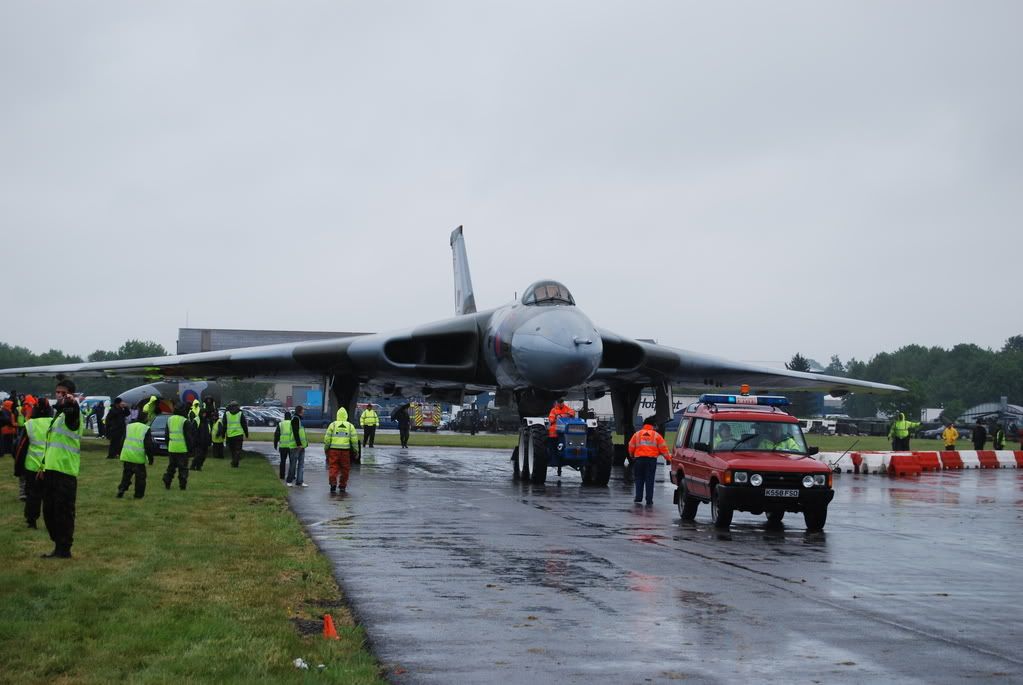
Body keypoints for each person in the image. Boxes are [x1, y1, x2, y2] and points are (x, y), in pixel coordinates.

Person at [39, 379, 83, 559]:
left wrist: (71, 403)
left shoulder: (72, 412)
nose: (59, 395)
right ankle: (58, 544)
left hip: (65, 472)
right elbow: (50, 445)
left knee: (63, 512)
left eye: (63, 393)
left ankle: (63, 549)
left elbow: (72, 413)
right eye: (57, 392)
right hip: (50, 470)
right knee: (48, 512)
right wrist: (42, 466)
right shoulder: (57, 417)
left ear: (70, 394)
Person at [14, 398, 53, 528]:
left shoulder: (30, 425)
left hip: (32, 466)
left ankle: (31, 521)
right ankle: (52, 522)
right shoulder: (54, 423)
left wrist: (18, 468)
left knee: (33, 495)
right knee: (50, 496)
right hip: (51, 465)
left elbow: (21, 448)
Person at [627, 416, 671, 505]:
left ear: (644, 424)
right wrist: (668, 459)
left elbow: (631, 446)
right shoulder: (656, 436)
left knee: (639, 479)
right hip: (651, 461)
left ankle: (638, 497)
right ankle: (649, 500)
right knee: (649, 480)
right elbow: (664, 449)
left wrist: (632, 456)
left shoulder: (637, 434)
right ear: (653, 425)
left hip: (639, 460)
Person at [117, 414, 155, 499]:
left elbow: (122, 440)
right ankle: (138, 495)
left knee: (126, 475)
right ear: (145, 419)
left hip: (127, 455)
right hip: (138, 457)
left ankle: (122, 489)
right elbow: (148, 445)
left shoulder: (129, 426)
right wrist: (150, 458)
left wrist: (120, 452)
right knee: (140, 478)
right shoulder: (145, 429)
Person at [324, 407, 359, 493]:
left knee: (333, 467)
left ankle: (333, 483)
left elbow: (327, 439)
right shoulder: (350, 426)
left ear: (337, 415)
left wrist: (326, 449)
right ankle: (342, 486)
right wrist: (356, 451)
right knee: (345, 469)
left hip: (333, 450)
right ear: (346, 416)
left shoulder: (333, 425)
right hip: (345, 451)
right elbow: (354, 440)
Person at [163, 404, 194, 490]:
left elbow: (166, 435)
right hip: (182, 449)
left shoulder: (170, 420)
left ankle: (167, 480)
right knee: (183, 468)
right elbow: (189, 437)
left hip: (172, 448)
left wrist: (168, 445)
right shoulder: (185, 421)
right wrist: (190, 449)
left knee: (171, 467)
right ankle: (182, 485)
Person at [220, 401, 248, 467]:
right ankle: (235, 461)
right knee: (237, 449)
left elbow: (224, 425)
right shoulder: (240, 414)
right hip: (239, 435)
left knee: (232, 450)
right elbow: (244, 424)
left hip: (230, 435)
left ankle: (234, 461)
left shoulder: (226, 414)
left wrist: (223, 434)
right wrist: (246, 433)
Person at [287, 406, 309, 487]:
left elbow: (301, 433)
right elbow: (296, 432)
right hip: (295, 446)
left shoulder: (299, 419)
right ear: (300, 411)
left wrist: (304, 444)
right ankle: (289, 480)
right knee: (293, 464)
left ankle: (299, 481)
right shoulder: (295, 419)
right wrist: (299, 444)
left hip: (301, 446)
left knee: (301, 464)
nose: (304, 411)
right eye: (303, 410)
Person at [189, 400, 211, 472]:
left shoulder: (207, 421)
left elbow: (208, 431)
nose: (204, 415)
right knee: (198, 455)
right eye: (203, 413)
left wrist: (209, 440)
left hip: (205, 442)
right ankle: (193, 466)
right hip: (198, 442)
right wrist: (195, 440)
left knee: (204, 456)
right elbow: (193, 431)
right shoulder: (196, 420)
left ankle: (199, 466)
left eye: (205, 413)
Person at [274, 411, 296, 481]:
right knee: (292, 461)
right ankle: (292, 475)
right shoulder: (293, 423)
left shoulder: (280, 424)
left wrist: (275, 444)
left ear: (284, 417)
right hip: (291, 446)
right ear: (291, 417)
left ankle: (282, 475)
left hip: (283, 446)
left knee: (282, 461)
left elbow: (276, 435)